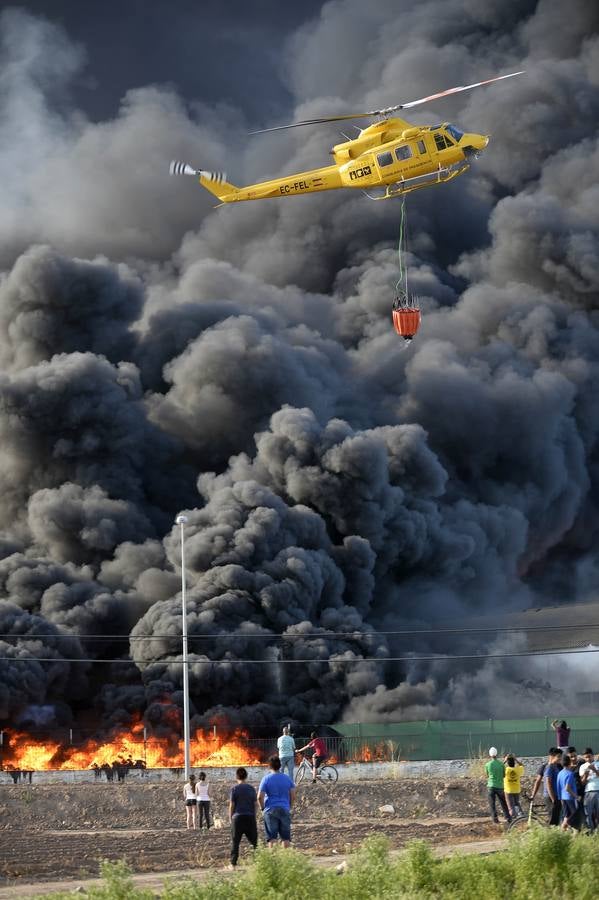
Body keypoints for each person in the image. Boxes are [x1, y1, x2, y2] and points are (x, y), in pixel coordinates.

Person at [258, 755, 296, 848]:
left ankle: (273, 860)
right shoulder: (287, 778)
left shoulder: (266, 779)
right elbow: (293, 795)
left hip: (270, 810)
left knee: (272, 838)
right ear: (280, 766)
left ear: (269, 766)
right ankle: (286, 860)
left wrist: (262, 808)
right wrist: (289, 807)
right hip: (284, 809)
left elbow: (259, 797)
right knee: (286, 838)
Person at [229, 767, 258, 867]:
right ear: (246, 776)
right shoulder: (251, 789)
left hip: (237, 818)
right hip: (250, 817)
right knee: (254, 842)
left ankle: (233, 864)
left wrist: (231, 818)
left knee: (235, 842)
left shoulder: (234, 789)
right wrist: (254, 816)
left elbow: (232, 805)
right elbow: (255, 804)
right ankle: (258, 863)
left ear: (236, 777)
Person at [485, 747, 511, 825]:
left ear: (489, 755)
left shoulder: (487, 765)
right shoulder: (501, 764)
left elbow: (487, 775)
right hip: (500, 786)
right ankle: (508, 818)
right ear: (497, 754)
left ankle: (495, 820)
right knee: (503, 803)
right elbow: (503, 775)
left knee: (492, 804)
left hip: (491, 786)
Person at [556, 754, 579, 831]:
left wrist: (560, 798)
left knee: (566, 816)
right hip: (570, 798)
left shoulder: (560, 773)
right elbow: (567, 788)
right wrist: (576, 797)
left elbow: (558, 787)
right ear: (570, 762)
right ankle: (575, 834)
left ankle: (561, 832)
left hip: (563, 798)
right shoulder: (570, 774)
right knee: (575, 816)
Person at [579, 748, 599, 833]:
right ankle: (591, 832)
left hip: (598, 790)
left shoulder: (598, 764)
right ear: (584, 758)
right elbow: (582, 783)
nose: (588, 759)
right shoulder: (583, 766)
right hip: (588, 792)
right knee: (588, 813)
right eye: (586, 757)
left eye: (589, 756)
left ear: (593, 755)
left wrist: (594, 769)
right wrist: (586, 774)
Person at [543, 747, 563, 826]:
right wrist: (553, 799)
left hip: (556, 796)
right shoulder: (550, 767)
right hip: (551, 796)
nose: (560, 759)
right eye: (558, 756)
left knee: (556, 819)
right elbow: (548, 782)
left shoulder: (556, 767)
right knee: (553, 820)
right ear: (551, 756)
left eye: (560, 757)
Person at [503, 754, 524, 818]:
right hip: (517, 790)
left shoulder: (506, 770)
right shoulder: (518, 770)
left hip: (508, 790)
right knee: (516, 803)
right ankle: (520, 815)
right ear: (514, 763)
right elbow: (522, 765)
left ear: (507, 763)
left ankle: (513, 817)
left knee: (511, 806)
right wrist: (515, 759)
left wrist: (505, 760)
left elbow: (500, 767)